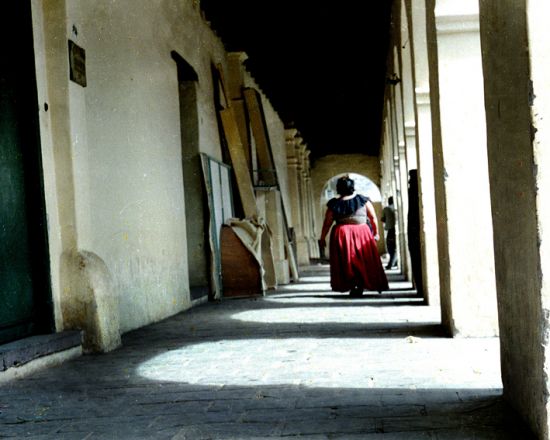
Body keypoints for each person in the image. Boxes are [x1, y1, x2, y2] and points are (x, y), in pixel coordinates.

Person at [319, 176, 389, 296]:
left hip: (342, 234)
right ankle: (362, 283)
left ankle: (352, 284)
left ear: (338, 188)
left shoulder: (334, 204)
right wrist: (376, 232)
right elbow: (372, 218)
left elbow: (327, 222)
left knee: (347, 260)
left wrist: (322, 237)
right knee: (364, 259)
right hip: (362, 233)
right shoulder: (363, 200)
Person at [381, 196, 397, 269]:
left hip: (390, 230)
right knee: (395, 247)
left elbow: (383, 219)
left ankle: (391, 263)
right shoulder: (396, 208)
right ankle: (394, 262)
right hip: (396, 229)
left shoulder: (386, 209)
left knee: (390, 247)